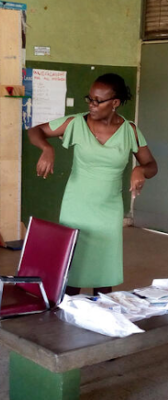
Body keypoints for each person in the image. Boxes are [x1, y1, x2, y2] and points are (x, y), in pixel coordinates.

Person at [28, 73, 158, 296]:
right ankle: (64, 314)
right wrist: (47, 149)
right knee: (72, 266)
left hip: (108, 207)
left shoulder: (130, 131)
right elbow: (35, 131)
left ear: (115, 103)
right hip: (77, 204)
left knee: (103, 268)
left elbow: (151, 165)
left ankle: (101, 315)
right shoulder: (75, 123)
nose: (92, 105)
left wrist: (140, 170)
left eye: (98, 101)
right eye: (89, 99)